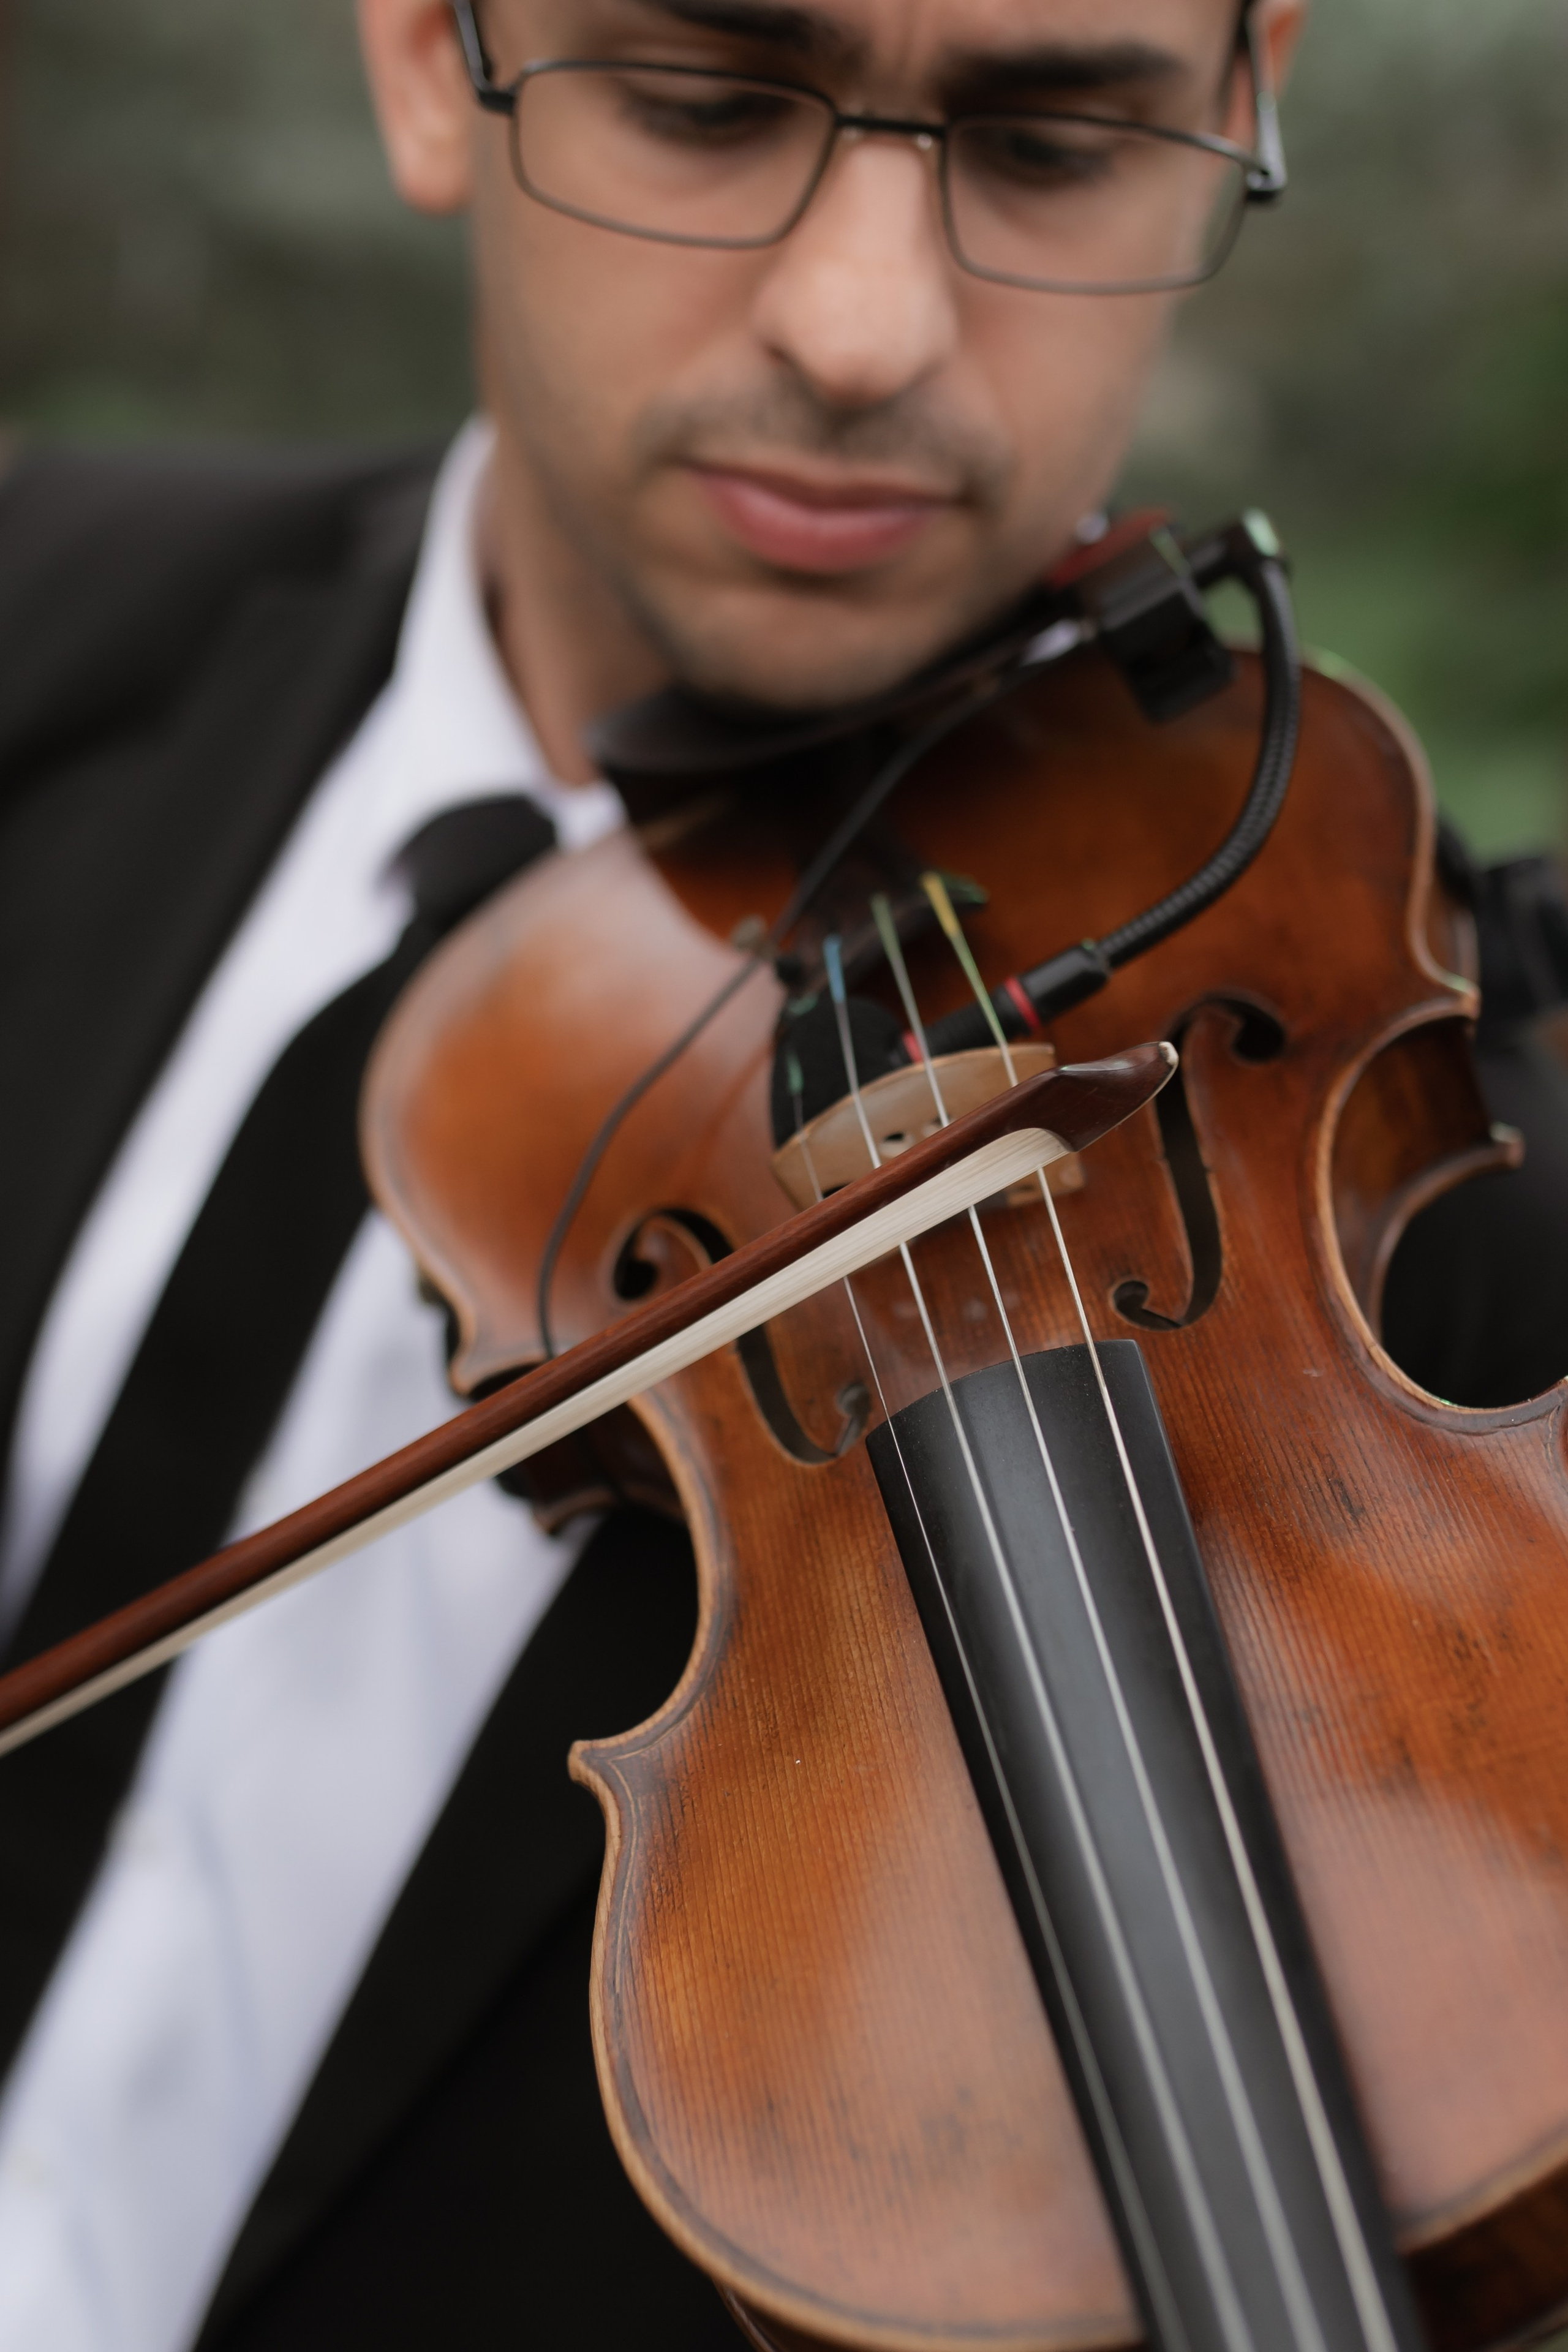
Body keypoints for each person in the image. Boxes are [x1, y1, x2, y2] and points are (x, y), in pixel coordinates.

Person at [0, 0, 1560, 2344]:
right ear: (426, 57)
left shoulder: (1461, 1266)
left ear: (1245, 108)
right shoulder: (44, 633)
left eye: (1051, 146)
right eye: (705, 107)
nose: (862, 328)